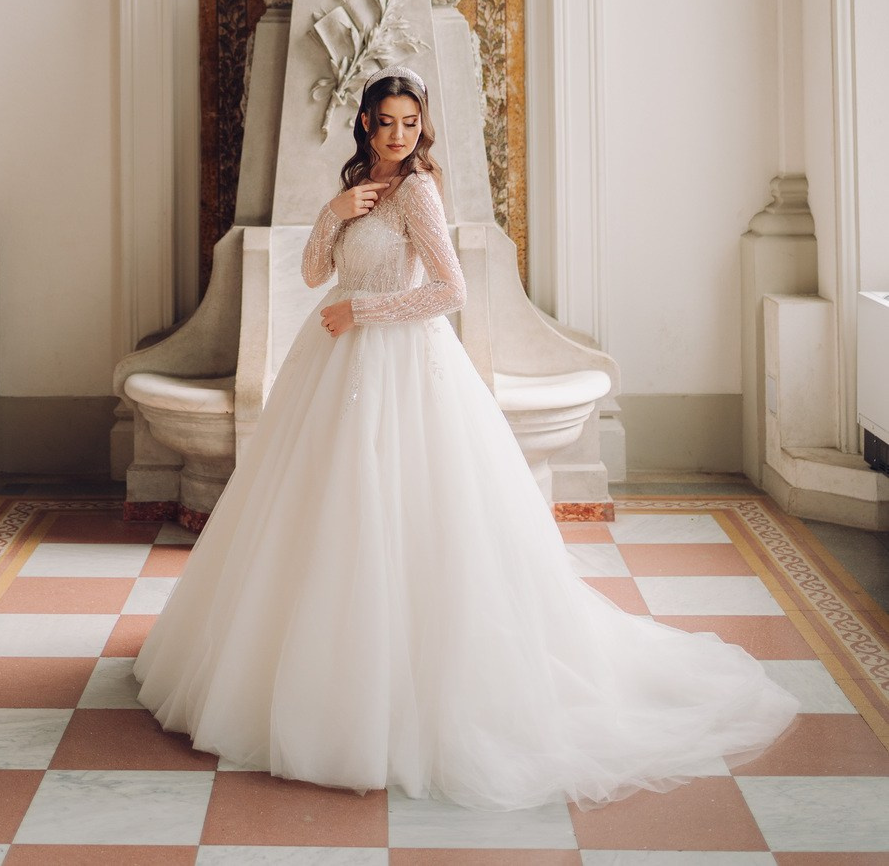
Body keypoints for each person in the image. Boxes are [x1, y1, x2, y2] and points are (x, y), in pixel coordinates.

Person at [133, 64, 799, 810]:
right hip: (334, 363)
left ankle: (409, 687)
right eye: (386, 121)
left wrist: (365, 312)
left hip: (398, 362)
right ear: (365, 123)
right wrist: (331, 212)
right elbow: (317, 273)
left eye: (410, 122)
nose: (398, 133)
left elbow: (448, 290)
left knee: (407, 514)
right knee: (326, 512)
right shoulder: (361, 186)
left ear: (422, 126)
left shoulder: (419, 190)